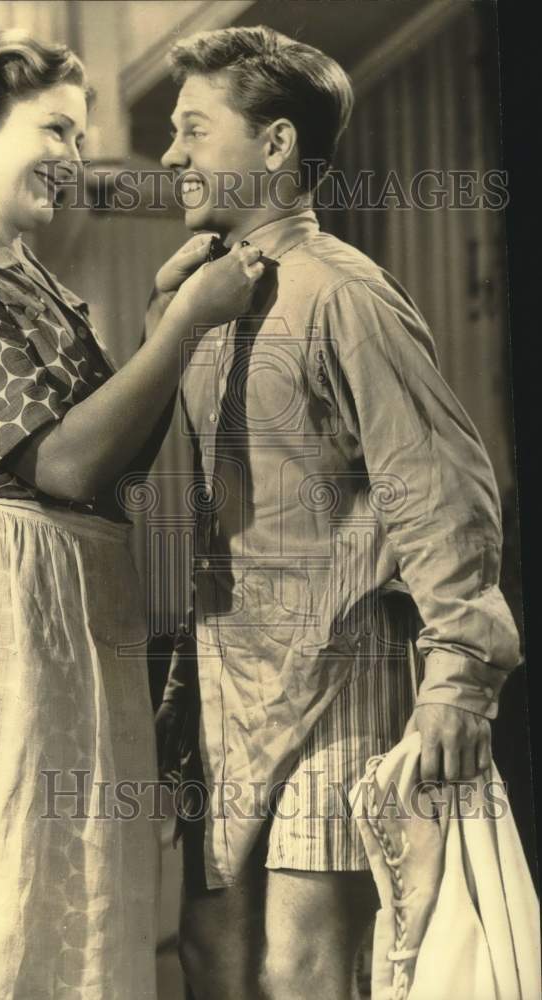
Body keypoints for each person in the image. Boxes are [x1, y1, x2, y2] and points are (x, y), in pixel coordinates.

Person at [0, 26, 264, 1000]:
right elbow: (67, 459)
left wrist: (149, 335)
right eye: (55, 129)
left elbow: (117, 462)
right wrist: (180, 327)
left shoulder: (27, 271)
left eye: (80, 137)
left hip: (72, 602)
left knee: (79, 902)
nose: (74, 160)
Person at [153, 25, 521, 1000]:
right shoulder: (201, 298)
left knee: (300, 969)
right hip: (230, 683)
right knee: (211, 957)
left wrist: (459, 675)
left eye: (194, 128)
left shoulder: (344, 294)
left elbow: (436, 485)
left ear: (276, 146)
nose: (171, 154)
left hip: (338, 671)